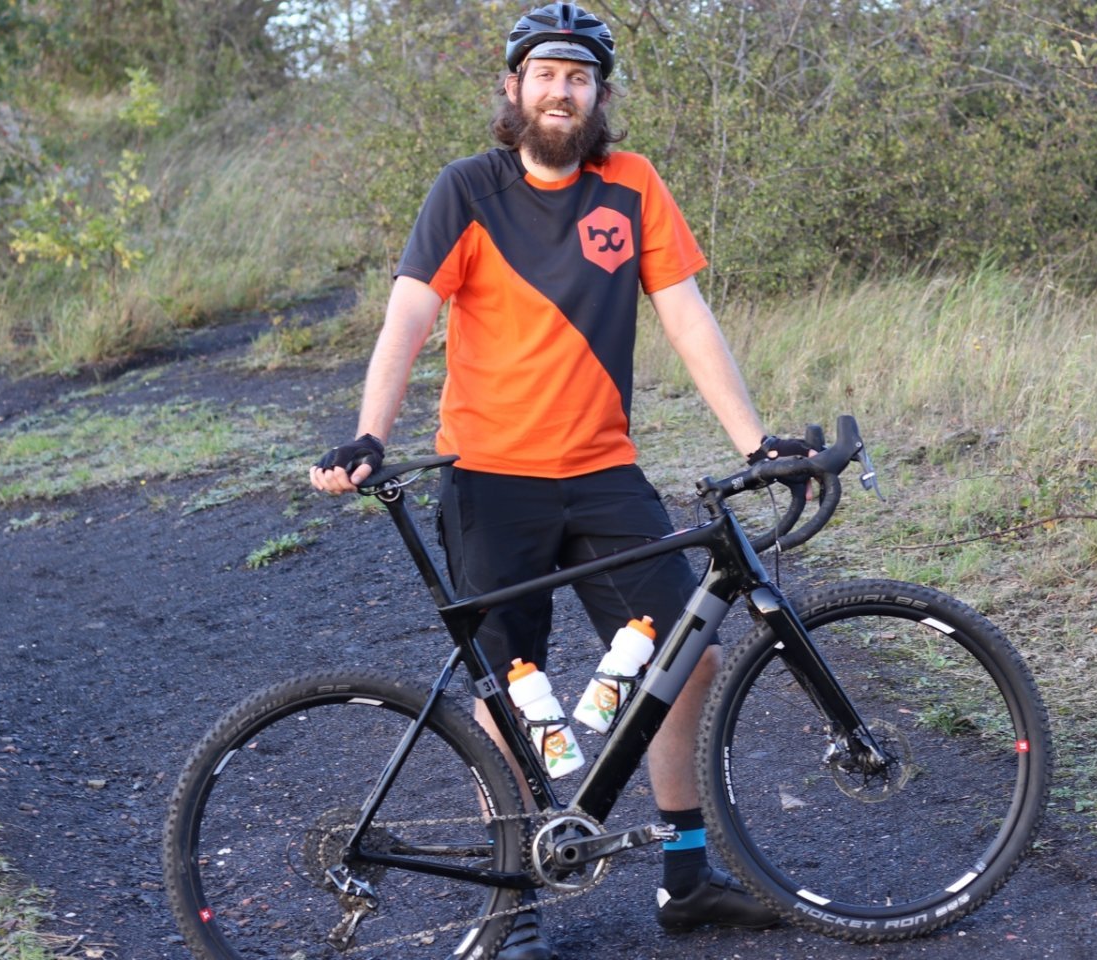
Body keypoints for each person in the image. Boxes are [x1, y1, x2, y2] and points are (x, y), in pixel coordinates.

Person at [309, 5, 809, 957]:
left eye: (578, 77)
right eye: (543, 73)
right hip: (492, 478)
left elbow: (687, 317)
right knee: (512, 689)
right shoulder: (467, 190)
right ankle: (516, 900)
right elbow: (407, 318)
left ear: (599, 95)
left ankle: (686, 880)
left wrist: (754, 443)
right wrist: (372, 433)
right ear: (513, 88)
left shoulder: (631, 186)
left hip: (605, 471)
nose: (560, 90)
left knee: (685, 654)